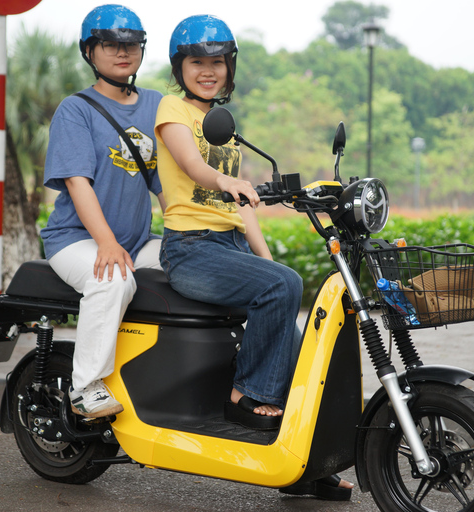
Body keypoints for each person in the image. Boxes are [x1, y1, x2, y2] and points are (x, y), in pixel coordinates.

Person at [155, 14, 353, 501]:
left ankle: (304, 460)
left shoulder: (225, 127)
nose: (208, 71)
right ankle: (248, 397)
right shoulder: (172, 110)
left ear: (229, 67)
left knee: (290, 301)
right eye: (197, 62)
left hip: (228, 246)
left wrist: (267, 262)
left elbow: (242, 212)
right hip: (190, 249)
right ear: (180, 67)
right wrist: (226, 181)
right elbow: (192, 166)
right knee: (281, 286)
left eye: (217, 62)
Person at [40, 4, 165, 419]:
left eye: (130, 44)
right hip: (74, 239)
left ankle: (152, 376)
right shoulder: (75, 109)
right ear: (90, 51)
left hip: (138, 241)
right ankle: (85, 387)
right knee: (112, 279)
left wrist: (192, 238)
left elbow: (167, 184)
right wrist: (106, 243)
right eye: (109, 44)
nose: (122, 52)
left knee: (190, 265)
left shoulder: (156, 106)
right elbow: (78, 182)